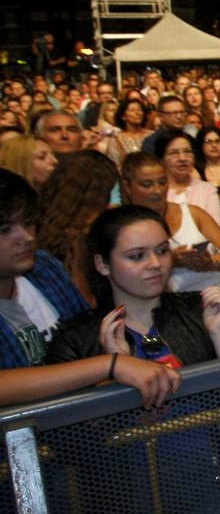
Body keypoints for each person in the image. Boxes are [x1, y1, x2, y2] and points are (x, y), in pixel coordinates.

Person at [46, 205, 220, 514]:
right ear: (102, 263)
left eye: (161, 250)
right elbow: (70, 439)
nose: (154, 264)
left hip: (203, 485)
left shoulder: (197, 310)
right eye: (136, 256)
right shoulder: (77, 337)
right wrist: (112, 365)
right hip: (127, 506)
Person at [0, 170, 180, 407]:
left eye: (27, 222)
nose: (26, 237)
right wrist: (110, 364)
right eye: (4, 230)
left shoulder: (43, 268)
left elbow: (82, 334)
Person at [120, 152, 220, 293]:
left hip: (214, 297)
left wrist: (213, 262)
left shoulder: (193, 213)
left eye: (162, 182)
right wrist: (170, 261)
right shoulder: (121, 227)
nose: (157, 191)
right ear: (127, 186)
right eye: (146, 185)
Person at [37, 150, 120, 306]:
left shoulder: (44, 225)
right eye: (107, 193)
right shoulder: (76, 242)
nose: (109, 203)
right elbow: (85, 302)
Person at [157, 131, 220, 225]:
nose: (182, 158)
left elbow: (215, 230)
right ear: (161, 159)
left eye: (187, 151)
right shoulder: (156, 192)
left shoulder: (207, 190)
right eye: (174, 153)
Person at [105, 97, 152, 168]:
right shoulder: (117, 139)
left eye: (139, 110)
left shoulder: (151, 135)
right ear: (123, 116)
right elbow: (113, 165)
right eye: (132, 110)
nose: (137, 113)